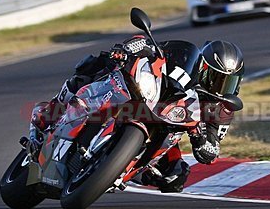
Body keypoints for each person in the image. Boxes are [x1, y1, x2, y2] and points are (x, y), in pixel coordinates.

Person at [28, 37, 244, 193]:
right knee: (93, 65)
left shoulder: (221, 109)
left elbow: (212, 150)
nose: (220, 86)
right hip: (149, 98)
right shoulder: (184, 57)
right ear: (203, 67)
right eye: (216, 77)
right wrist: (131, 48)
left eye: (227, 82)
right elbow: (153, 48)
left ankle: (122, 171)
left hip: (168, 127)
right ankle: (52, 113)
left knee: (176, 177)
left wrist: (202, 140)